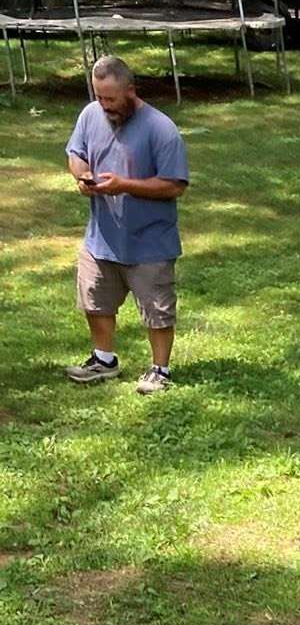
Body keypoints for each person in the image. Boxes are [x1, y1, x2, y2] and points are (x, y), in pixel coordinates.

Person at [64, 56, 190, 394]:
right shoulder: (90, 115)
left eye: (111, 99)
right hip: (101, 238)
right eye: (99, 97)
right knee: (95, 300)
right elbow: (75, 153)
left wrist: (125, 186)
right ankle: (104, 360)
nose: (105, 106)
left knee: (157, 309)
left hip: (149, 241)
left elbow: (175, 185)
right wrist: (82, 175)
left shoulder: (161, 129)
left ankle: (160, 370)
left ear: (131, 91)